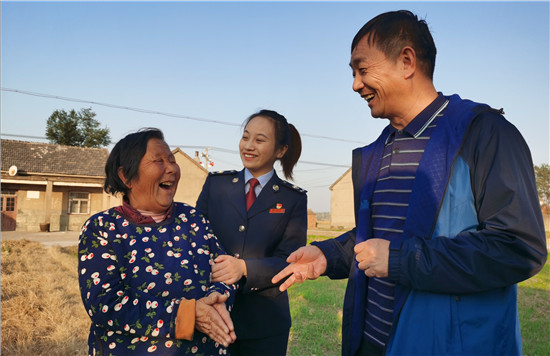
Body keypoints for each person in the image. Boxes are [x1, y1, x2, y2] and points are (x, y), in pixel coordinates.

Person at [272, 10, 547, 356]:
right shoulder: (376, 152)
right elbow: (379, 238)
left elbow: (518, 248)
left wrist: (403, 261)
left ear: (406, 61)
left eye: (362, 69)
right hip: (372, 343)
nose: (355, 84)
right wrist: (327, 255)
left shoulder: (484, 135)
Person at [78, 128, 238, 355]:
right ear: (126, 176)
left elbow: (225, 272)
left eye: (172, 160)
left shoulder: (193, 219)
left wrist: (219, 298)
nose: (172, 168)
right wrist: (187, 315)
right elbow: (105, 304)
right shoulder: (102, 228)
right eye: (159, 161)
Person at [196, 109, 307, 355]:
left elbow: (290, 260)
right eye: (246, 137)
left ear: (280, 151)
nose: (249, 146)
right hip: (214, 315)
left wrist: (244, 268)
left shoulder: (292, 198)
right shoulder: (216, 185)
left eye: (260, 140)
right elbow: (196, 242)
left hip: (266, 323)